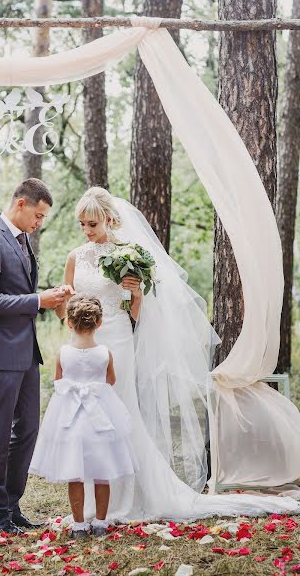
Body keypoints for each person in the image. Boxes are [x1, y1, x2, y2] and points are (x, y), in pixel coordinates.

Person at [53, 186, 300, 522]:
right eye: (82, 224)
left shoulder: (129, 255)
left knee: (119, 413)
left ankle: (129, 494)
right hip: (83, 345)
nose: (86, 231)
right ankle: (90, 504)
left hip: (118, 340)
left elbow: (139, 317)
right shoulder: (75, 257)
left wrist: (135, 294)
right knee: (86, 417)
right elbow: (65, 310)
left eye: (92, 224)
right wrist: (61, 303)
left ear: (109, 219)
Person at [0, 178, 73, 535]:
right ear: (21, 203)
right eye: (38, 215)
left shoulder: (23, 240)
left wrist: (47, 298)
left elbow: (21, 292)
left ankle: (13, 507)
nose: (39, 222)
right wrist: (36, 301)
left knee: (28, 430)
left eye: (43, 217)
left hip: (26, 352)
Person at [29, 294, 138, 538]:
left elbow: (59, 381)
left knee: (74, 473)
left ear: (69, 322)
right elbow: (110, 380)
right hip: (101, 419)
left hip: (71, 419)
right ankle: (100, 523)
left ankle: (78, 525)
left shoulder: (63, 352)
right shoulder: (105, 352)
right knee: (102, 474)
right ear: (99, 323)